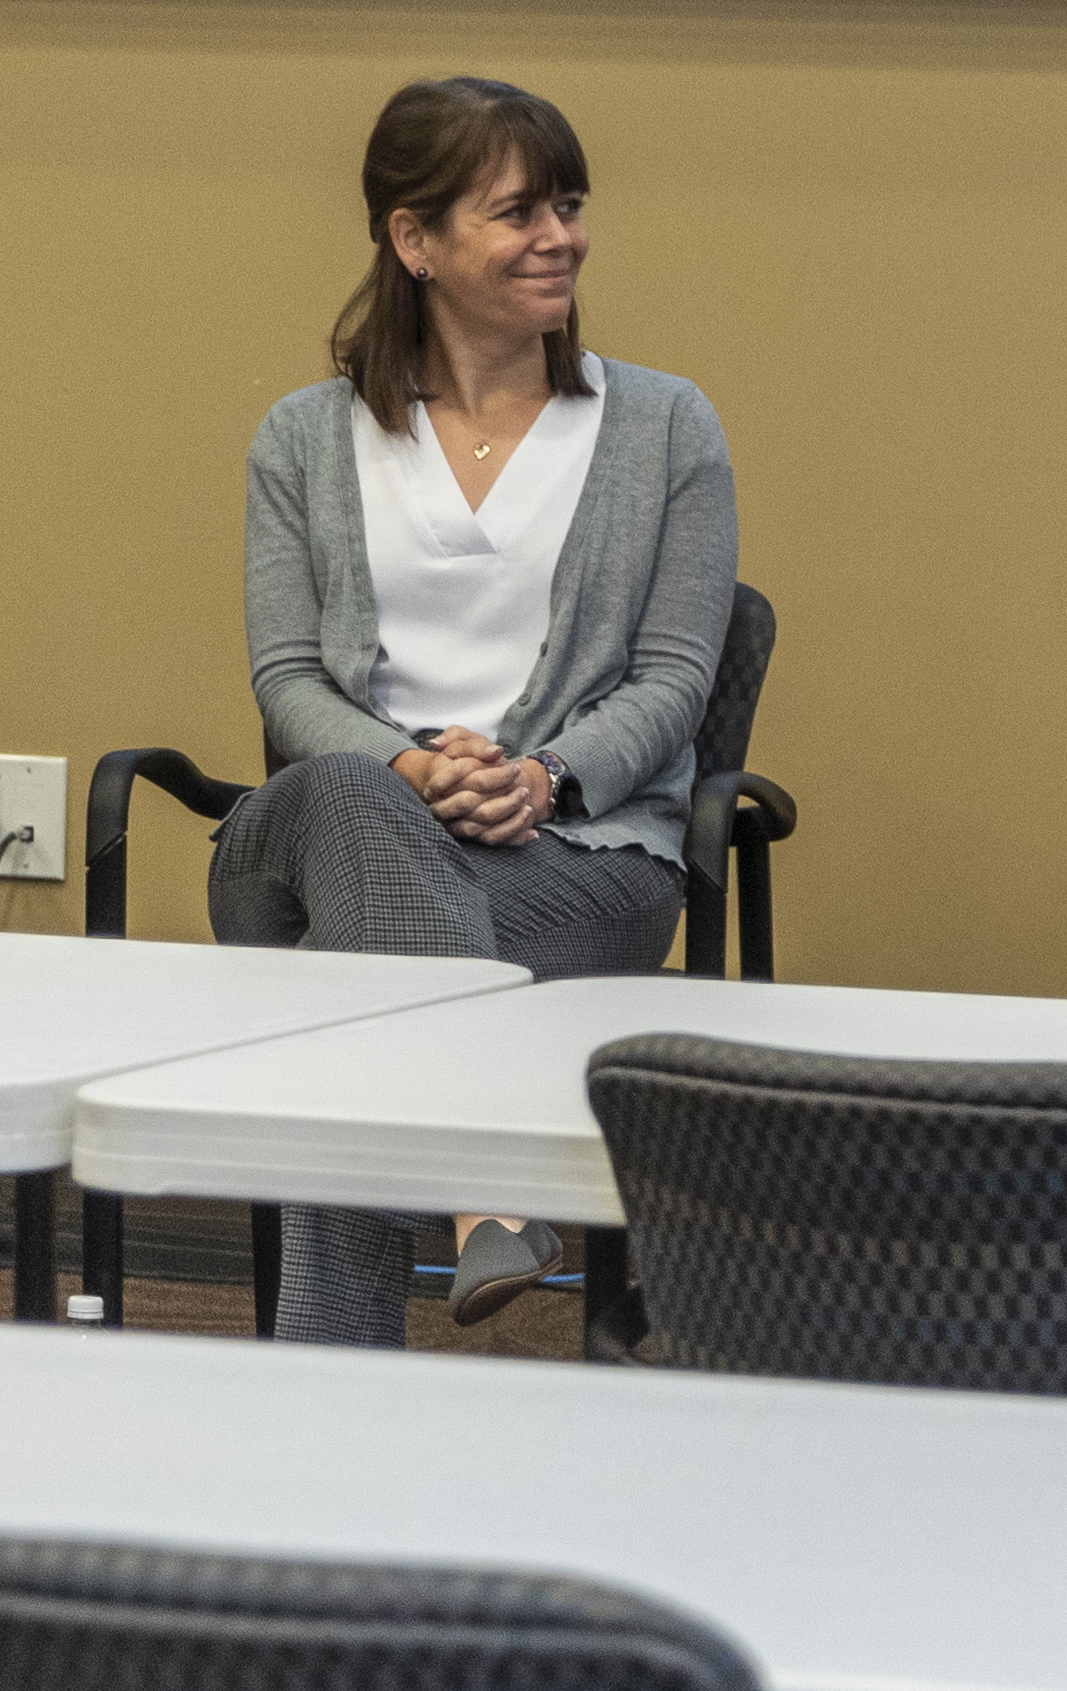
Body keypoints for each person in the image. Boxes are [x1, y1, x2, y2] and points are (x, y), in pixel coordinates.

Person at [222, 76, 738, 1340]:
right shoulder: (302, 438)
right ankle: (481, 1186)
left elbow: (677, 681)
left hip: (576, 861)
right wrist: (409, 768)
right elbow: (289, 682)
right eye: (517, 211)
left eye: (568, 205)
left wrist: (544, 777)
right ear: (415, 240)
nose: (560, 235)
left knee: (341, 994)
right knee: (350, 798)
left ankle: (321, 1397)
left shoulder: (666, 427)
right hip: (318, 832)